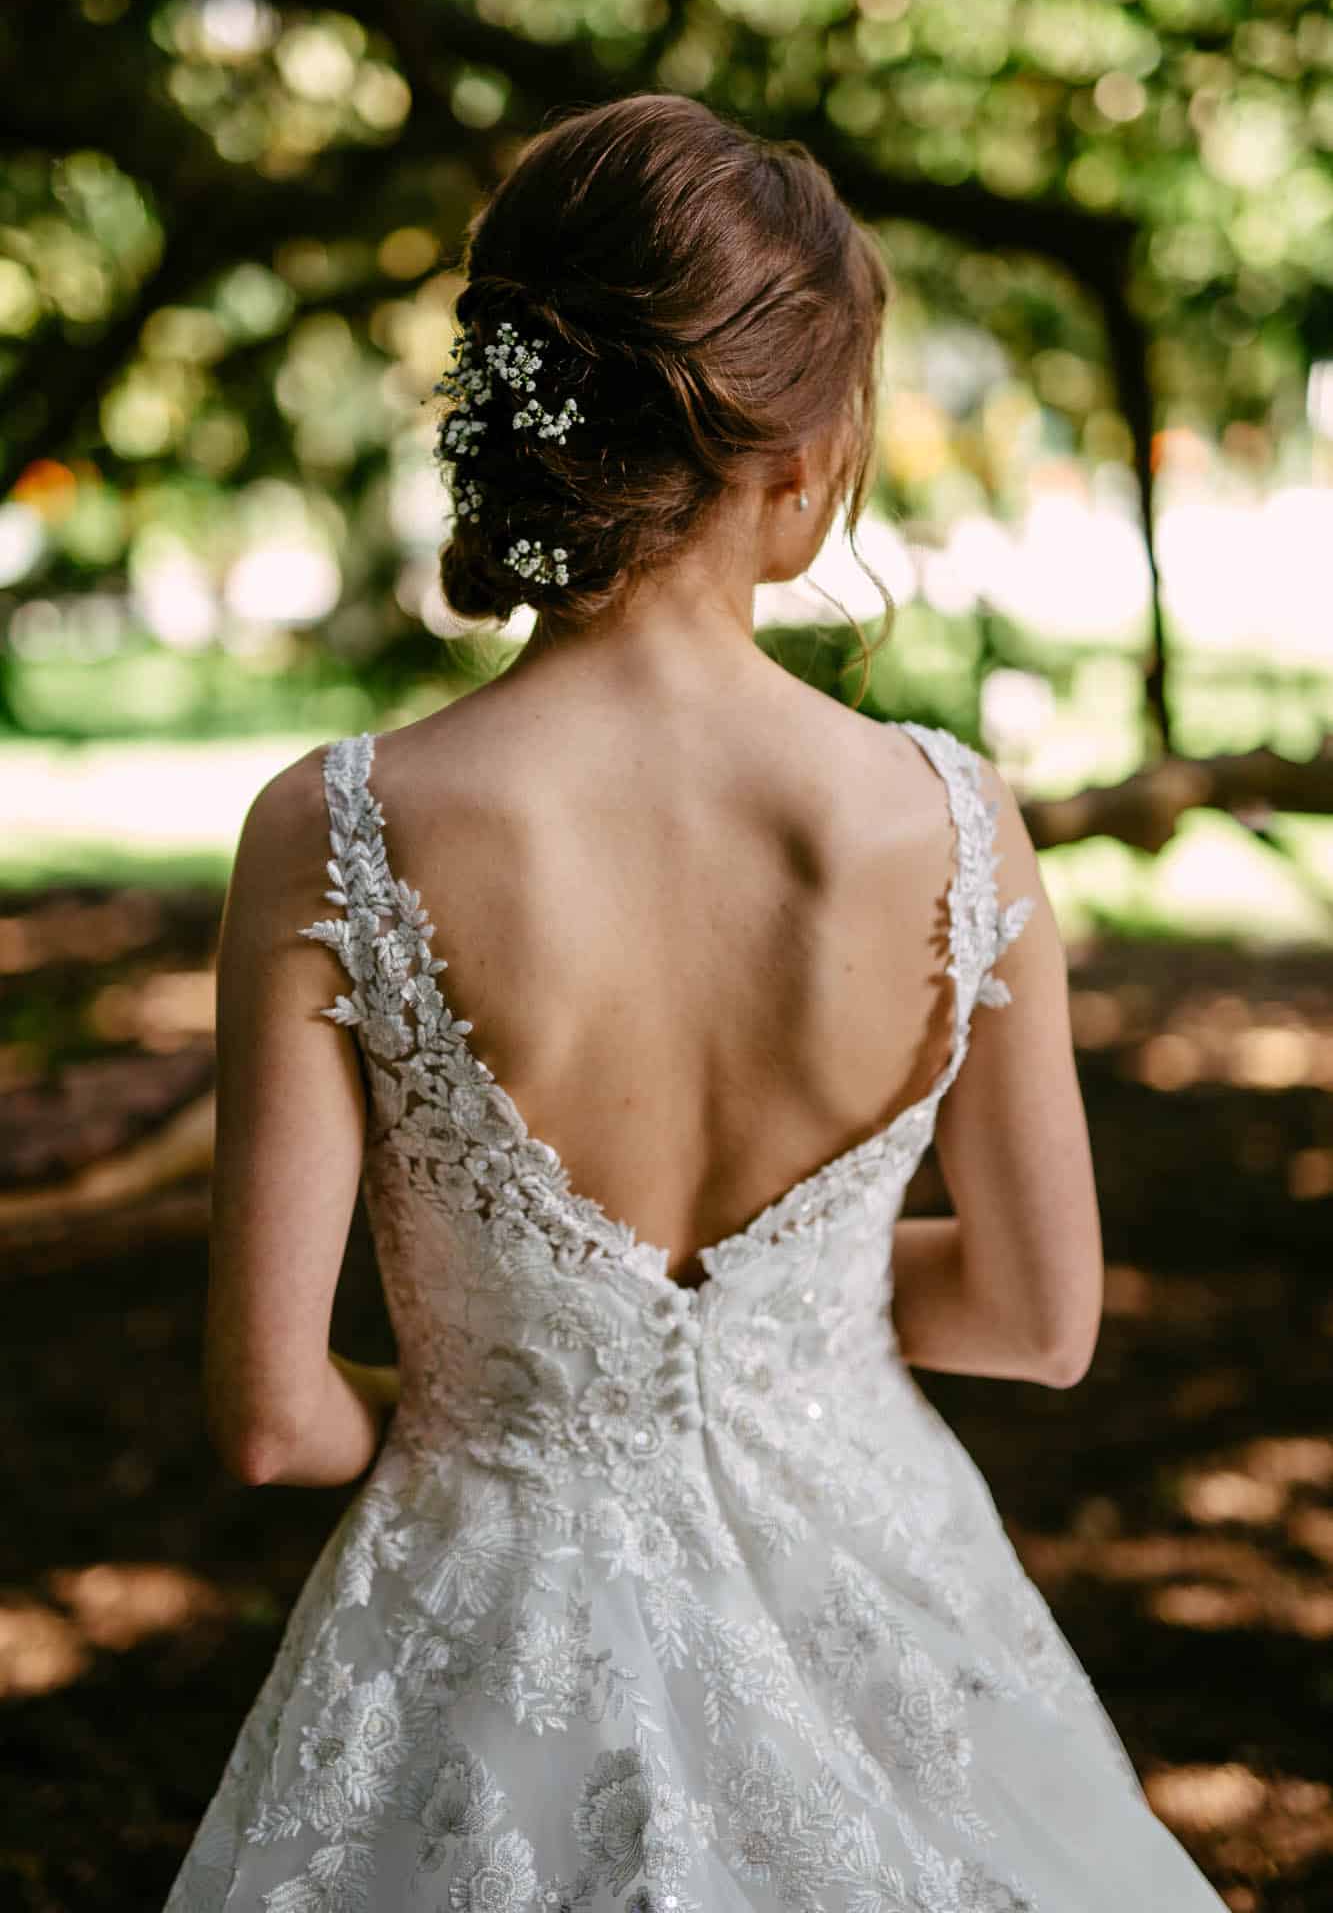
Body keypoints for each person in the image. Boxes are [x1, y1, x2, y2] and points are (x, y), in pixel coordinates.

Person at [164, 93, 1227, 1912]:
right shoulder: (957, 823)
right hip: (886, 1589)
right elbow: (1039, 1320)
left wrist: (494, 1367)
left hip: (477, 1623)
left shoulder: (337, 826)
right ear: (800, 457)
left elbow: (276, 1417)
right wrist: (773, 1321)